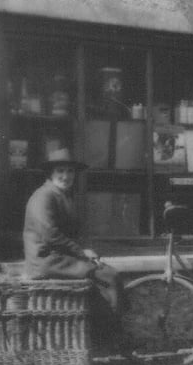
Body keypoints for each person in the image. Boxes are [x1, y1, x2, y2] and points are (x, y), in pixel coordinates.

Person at [23, 148, 124, 352]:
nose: (66, 176)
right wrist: (81, 253)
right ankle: (110, 339)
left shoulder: (60, 195)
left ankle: (100, 335)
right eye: (60, 171)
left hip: (59, 258)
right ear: (50, 173)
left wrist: (83, 251)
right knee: (109, 276)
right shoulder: (43, 196)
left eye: (70, 172)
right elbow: (50, 235)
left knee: (102, 275)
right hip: (47, 260)